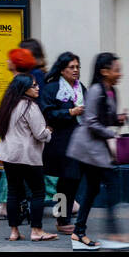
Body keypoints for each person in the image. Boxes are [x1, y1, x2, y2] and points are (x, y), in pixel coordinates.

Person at [67, 53, 129, 250]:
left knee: (92, 190)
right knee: (111, 185)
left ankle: (79, 233)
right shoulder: (95, 91)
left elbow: (103, 119)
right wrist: (110, 133)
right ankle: (112, 234)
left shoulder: (111, 91)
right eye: (116, 70)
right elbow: (90, 121)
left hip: (96, 148)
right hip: (88, 149)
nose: (120, 74)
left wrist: (118, 120)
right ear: (104, 72)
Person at [0, 40, 49, 217]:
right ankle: (26, 222)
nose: (7, 61)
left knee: (28, 187)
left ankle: (19, 223)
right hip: (25, 145)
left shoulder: (25, 82)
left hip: (21, 146)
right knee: (32, 184)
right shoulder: (30, 79)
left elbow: (23, 118)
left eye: (10, 58)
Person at [0, 73, 55, 242]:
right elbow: (40, 134)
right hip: (27, 156)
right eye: (34, 85)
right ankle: (36, 230)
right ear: (24, 88)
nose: (38, 88)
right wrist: (49, 131)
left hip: (8, 155)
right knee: (38, 192)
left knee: (13, 192)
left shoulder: (8, 105)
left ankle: (14, 231)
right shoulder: (30, 107)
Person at [40, 52, 84, 233]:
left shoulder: (81, 87)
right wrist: (70, 113)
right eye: (71, 67)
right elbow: (48, 113)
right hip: (60, 143)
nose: (75, 71)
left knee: (73, 179)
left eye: (77, 67)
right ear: (62, 69)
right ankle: (61, 219)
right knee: (64, 181)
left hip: (78, 142)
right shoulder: (52, 88)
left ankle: (64, 217)